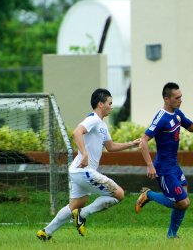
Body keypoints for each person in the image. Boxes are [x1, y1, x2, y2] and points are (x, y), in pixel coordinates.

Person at [37, 88, 141, 240]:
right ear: (100, 104)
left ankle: (46, 232)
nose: (112, 106)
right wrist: (84, 154)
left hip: (78, 171)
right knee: (119, 194)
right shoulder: (93, 119)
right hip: (84, 171)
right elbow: (77, 132)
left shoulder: (102, 125)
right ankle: (82, 215)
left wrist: (131, 144)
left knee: (76, 203)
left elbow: (110, 147)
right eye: (109, 103)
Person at [135, 82, 193, 238]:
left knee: (183, 201)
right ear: (166, 99)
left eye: (181, 97)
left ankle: (171, 236)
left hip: (174, 166)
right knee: (183, 202)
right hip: (163, 169)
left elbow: (192, 127)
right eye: (177, 98)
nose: (180, 100)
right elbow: (144, 141)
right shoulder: (161, 118)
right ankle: (149, 195)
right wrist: (149, 165)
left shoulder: (177, 113)